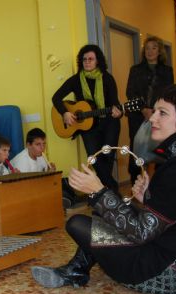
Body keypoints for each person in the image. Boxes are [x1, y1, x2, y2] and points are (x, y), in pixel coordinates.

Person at [32, 85, 176, 294]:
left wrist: (98, 191)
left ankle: (76, 270)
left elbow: (141, 232)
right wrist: (148, 198)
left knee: (77, 223)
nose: (152, 119)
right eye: (154, 111)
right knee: (104, 212)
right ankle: (77, 269)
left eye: (162, 113)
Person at [52, 44, 122, 192]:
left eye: (91, 59)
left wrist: (119, 112)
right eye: (84, 59)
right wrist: (65, 112)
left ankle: (103, 194)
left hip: (109, 123)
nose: (87, 62)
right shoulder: (76, 80)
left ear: (98, 61)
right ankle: (111, 190)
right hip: (88, 127)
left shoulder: (107, 78)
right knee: (94, 159)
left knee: (107, 158)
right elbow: (56, 97)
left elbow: (115, 105)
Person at [126, 36, 174, 183]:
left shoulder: (167, 71)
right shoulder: (135, 70)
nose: (150, 51)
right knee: (136, 149)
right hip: (137, 115)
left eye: (154, 48)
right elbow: (130, 92)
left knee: (160, 148)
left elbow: (169, 94)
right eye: (147, 48)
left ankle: (160, 184)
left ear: (159, 51)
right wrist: (143, 109)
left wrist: (155, 111)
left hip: (159, 115)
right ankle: (137, 183)